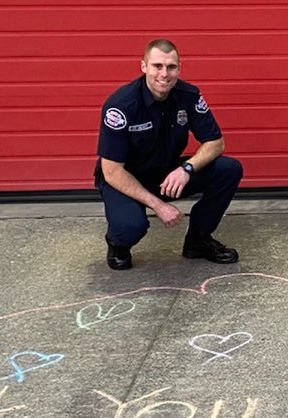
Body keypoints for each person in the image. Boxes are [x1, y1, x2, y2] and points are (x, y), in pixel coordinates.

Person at [94, 39, 243, 270]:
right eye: (157, 66)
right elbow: (112, 170)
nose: (164, 74)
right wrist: (158, 206)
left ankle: (198, 240)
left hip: (166, 174)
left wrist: (187, 169)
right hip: (123, 179)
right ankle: (118, 244)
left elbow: (215, 142)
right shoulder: (121, 105)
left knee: (228, 169)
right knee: (130, 227)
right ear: (143, 66)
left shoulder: (188, 95)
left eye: (171, 67)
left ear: (179, 68)